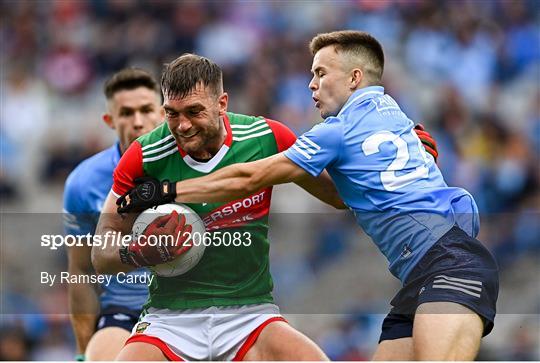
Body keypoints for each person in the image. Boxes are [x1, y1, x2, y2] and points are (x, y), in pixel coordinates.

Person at [117, 32, 499, 361]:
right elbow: (346, 194)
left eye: (320, 73)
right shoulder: (394, 114)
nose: (311, 85)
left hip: (449, 265)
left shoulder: (333, 132)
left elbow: (250, 176)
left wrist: (166, 191)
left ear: (354, 78)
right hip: (424, 272)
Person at [63, 68, 164, 360]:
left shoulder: (191, 163)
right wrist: (84, 348)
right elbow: (80, 270)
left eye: (146, 110)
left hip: (189, 303)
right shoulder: (83, 183)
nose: (138, 122)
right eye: (126, 113)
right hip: (124, 310)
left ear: (161, 112)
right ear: (109, 120)